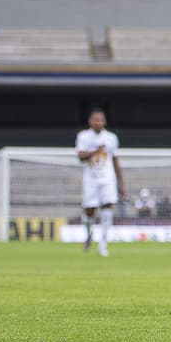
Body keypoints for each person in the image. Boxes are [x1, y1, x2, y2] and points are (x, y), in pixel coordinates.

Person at [75, 108, 124, 256]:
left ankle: (103, 243)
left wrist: (121, 182)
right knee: (90, 210)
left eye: (101, 120)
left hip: (107, 178)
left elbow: (115, 160)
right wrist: (95, 151)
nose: (98, 123)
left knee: (107, 206)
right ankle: (88, 234)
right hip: (91, 179)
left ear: (104, 122)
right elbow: (80, 157)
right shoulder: (83, 136)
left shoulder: (111, 138)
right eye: (96, 120)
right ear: (90, 121)